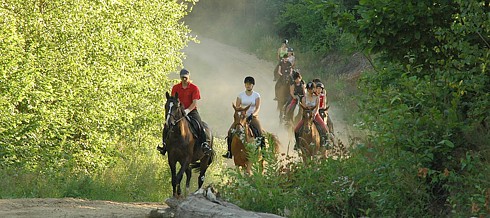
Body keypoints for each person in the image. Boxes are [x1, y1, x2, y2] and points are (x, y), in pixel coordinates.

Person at [157, 69, 212, 155]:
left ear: (189, 77)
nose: (184, 79)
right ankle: (164, 145)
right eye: (183, 77)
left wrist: (187, 110)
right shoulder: (176, 87)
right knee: (167, 125)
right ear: (180, 78)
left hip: (191, 110)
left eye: (186, 77)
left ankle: (204, 144)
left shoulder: (194, 88)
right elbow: (173, 101)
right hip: (178, 112)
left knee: (199, 125)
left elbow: (194, 103)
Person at [223, 76, 264, 159]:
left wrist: (253, 114)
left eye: (250, 84)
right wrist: (241, 115)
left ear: (253, 85)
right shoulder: (240, 95)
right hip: (242, 118)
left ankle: (264, 151)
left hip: (252, 117)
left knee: (260, 132)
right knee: (230, 132)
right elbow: (237, 107)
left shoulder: (256, 95)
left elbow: (257, 107)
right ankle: (229, 152)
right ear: (244, 85)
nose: (248, 85)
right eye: (246, 84)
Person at [293, 82, 329, 150]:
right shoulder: (304, 98)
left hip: (315, 115)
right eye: (309, 89)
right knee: (296, 129)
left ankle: (325, 142)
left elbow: (317, 107)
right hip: (307, 116)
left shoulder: (317, 98)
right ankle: (297, 144)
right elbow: (304, 107)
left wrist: (314, 114)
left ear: (313, 89)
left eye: (311, 89)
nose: (310, 90)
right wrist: (307, 111)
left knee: (324, 128)